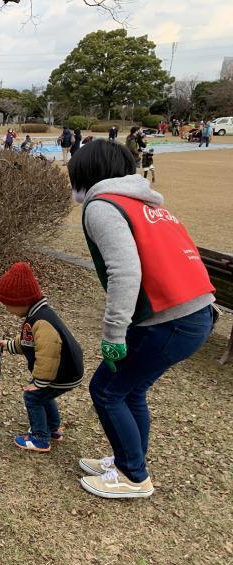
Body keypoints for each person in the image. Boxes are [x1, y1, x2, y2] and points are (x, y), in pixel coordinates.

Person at [67, 140, 216, 499]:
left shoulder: (102, 206)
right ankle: (127, 460)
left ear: (87, 174)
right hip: (196, 313)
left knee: (106, 390)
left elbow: (125, 273)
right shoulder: (145, 202)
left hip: (170, 320)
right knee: (131, 390)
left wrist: (114, 333)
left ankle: (133, 475)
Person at [0, 262, 83, 453]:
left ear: (21, 301)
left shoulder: (41, 320)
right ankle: (53, 429)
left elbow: (48, 352)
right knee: (44, 395)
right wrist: (9, 345)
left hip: (63, 371)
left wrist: (40, 381)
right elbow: (29, 341)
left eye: (8, 305)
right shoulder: (36, 315)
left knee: (33, 396)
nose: (7, 309)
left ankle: (40, 437)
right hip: (64, 371)